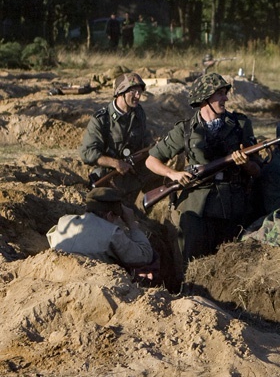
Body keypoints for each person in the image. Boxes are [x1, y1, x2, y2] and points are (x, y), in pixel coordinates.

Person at [145, 73, 261, 263]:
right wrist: (173, 174)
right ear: (204, 98)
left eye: (225, 93)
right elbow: (151, 160)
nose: (226, 98)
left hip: (232, 207)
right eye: (220, 93)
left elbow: (257, 170)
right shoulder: (185, 130)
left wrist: (246, 164)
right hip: (196, 207)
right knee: (191, 263)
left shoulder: (240, 124)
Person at [46, 187, 157, 279]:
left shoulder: (65, 221)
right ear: (109, 215)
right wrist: (132, 225)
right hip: (89, 282)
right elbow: (145, 256)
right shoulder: (112, 232)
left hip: (56, 275)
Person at [79, 73, 153, 204]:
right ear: (121, 92)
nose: (137, 96)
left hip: (133, 171)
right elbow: (87, 153)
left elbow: (145, 140)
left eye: (139, 92)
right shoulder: (101, 119)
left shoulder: (138, 112)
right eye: (133, 92)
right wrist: (116, 163)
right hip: (110, 175)